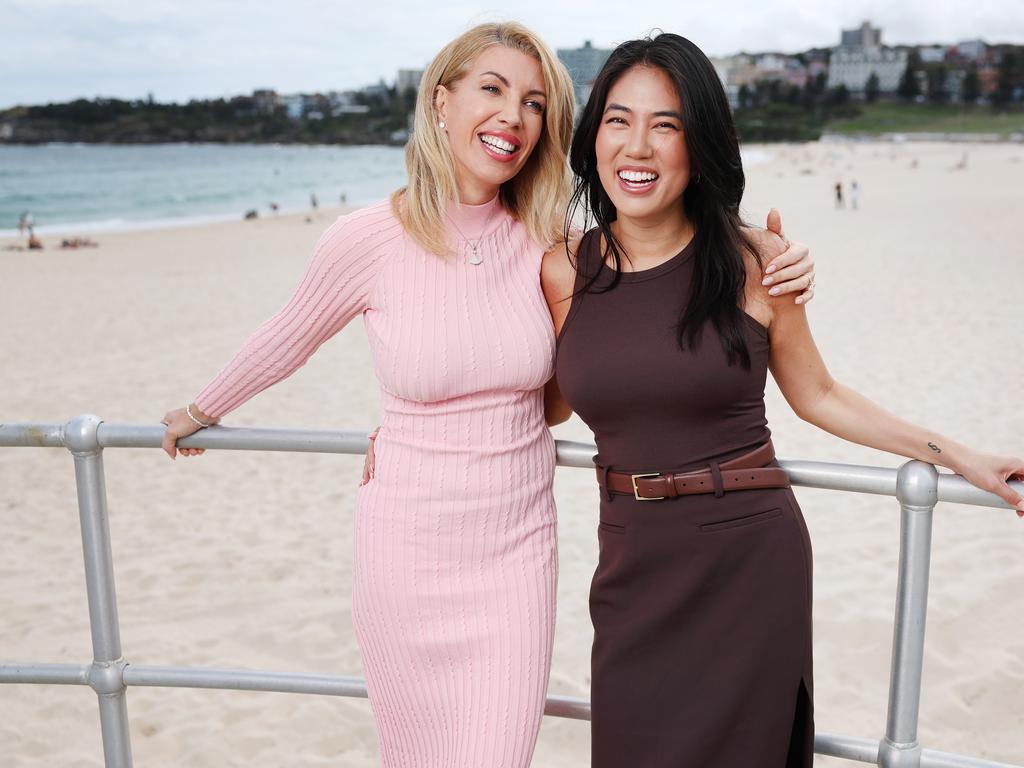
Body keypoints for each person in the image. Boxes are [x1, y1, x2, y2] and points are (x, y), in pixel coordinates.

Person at [160, 23, 815, 768]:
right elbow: (288, 333)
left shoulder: (551, 243)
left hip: (514, 548)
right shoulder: (366, 238)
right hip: (404, 543)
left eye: (534, 103)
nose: (512, 116)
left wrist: (765, 251)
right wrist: (200, 410)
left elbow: (616, 333)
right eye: (492, 90)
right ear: (442, 103)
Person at [541, 33, 1024, 768]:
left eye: (665, 124)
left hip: (746, 561)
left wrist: (960, 455)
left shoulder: (756, 265)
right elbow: (547, 409)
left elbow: (821, 395)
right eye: (618, 119)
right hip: (629, 567)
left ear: (699, 144)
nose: (637, 146)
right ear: (593, 134)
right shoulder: (560, 271)